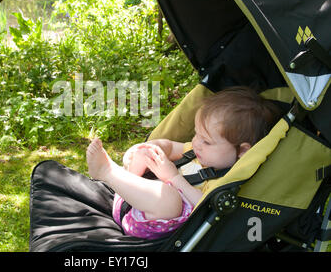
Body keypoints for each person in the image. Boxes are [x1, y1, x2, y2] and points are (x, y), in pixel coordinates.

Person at [86, 86, 281, 239]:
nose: (197, 143)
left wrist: (172, 177)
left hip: (153, 224)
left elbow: (204, 206)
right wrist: (150, 147)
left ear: (243, 151)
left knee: (169, 199)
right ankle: (124, 178)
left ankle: (107, 173)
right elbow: (170, 147)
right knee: (149, 154)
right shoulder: (195, 150)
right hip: (134, 201)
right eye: (197, 133)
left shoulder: (228, 181)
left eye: (207, 141)